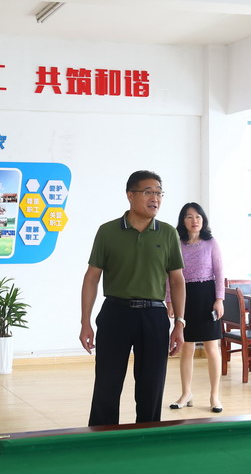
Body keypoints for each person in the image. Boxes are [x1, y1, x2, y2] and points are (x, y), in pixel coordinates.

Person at [79, 170, 186, 426]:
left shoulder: (168, 233)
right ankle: (102, 437)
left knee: (152, 385)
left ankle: (147, 436)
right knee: (107, 382)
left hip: (154, 315)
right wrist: (85, 322)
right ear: (130, 195)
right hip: (115, 313)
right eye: (148, 192)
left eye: (159, 193)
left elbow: (177, 280)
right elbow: (92, 278)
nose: (155, 198)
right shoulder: (107, 231)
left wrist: (180, 323)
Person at [166, 203, 225, 413]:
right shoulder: (177, 244)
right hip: (185, 297)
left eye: (198, 216)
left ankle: (214, 396)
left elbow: (219, 272)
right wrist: (169, 300)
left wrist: (219, 299)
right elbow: (169, 274)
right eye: (189, 217)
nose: (194, 220)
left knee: (211, 348)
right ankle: (186, 393)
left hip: (207, 297)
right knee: (187, 347)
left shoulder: (211, 243)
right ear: (183, 221)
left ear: (203, 220)